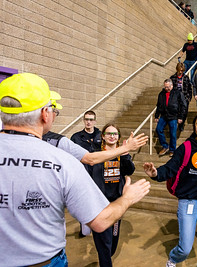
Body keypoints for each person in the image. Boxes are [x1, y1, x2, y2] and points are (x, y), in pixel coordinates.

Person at [0, 73, 151, 267]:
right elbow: (100, 221)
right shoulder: (63, 161)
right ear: (45, 114)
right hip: (44, 261)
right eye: (53, 110)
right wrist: (129, 197)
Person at [143, 112, 197, 267]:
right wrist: (155, 173)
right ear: (194, 127)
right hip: (188, 201)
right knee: (185, 248)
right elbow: (170, 168)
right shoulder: (186, 147)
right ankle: (173, 259)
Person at [91, 123, 135, 267]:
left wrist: (125, 155)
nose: (112, 136)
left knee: (113, 241)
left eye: (115, 134)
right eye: (109, 133)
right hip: (100, 203)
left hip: (116, 202)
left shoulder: (121, 154)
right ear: (103, 136)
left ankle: (106, 257)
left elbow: (130, 170)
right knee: (104, 241)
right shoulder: (96, 153)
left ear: (118, 137)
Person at [155, 79, 186, 157]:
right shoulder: (161, 94)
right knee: (158, 129)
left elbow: (183, 105)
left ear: (172, 85)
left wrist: (180, 117)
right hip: (164, 115)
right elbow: (158, 105)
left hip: (174, 116)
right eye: (165, 87)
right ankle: (165, 146)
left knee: (173, 133)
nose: (167, 88)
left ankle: (172, 149)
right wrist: (156, 116)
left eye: (168, 87)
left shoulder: (178, 93)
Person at [170, 63, 192, 131]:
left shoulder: (186, 78)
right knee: (176, 112)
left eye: (182, 71)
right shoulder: (172, 78)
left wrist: (189, 98)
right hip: (176, 98)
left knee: (184, 112)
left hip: (184, 97)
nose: (180, 72)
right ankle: (176, 124)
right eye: (179, 70)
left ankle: (181, 124)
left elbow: (189, 88)